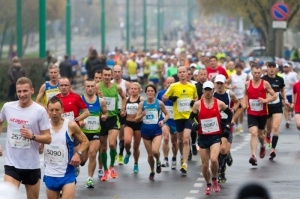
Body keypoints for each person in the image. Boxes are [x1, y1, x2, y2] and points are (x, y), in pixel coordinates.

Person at [0, 77, 51, 199]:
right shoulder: (7, 107)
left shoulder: (40, 111)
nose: (22, 95)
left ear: (32, 91)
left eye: (25, 91)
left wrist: (32, 136)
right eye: (19, 91)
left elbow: (48, 138)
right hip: (12, 164)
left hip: (31, 165)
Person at [189, 81, 233, 195]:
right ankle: (208, 184)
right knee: (204, 164)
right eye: (206, 90)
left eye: (210, 90)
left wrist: (227, 126)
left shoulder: (219, 103)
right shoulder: (197, 104)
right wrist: (194, 124)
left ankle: (214, 179)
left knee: (213, 159)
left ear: (213, 90)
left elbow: (230, 113)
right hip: (203, 137)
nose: (208, 92)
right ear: (203, 91)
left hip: (215, 136)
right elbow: (191, 118)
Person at [44, 96, 89, 199]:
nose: (54, 113)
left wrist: (78, 154)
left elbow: (85, 141)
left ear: (62, 110)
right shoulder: (44, 126)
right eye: (51, 110)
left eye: (57, 110)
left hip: (67, 173)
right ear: (48, 111)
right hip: (50, 173)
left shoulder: (71, 125)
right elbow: (38, 143)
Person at [162, 66, 198, 175]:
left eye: (184, 72)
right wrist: (171, 98)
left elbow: (196, 98)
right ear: (178, 74)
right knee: (180, 140)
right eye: (180, 72)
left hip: (189, 117)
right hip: (178, 117)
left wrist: (193, 103)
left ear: (187, 74)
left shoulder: (192, 86)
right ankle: (182, 155)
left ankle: (185, 164)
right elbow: (164, 97)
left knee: (186, 139)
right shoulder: (173, 86)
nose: (182, 74)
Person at [241, 63, 277, 166]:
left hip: (262, 113)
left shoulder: (265, 83)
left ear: (261, 73)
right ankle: (253, 156)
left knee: (261, 135)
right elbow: (245, 94)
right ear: (251, 73)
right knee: (253, 133)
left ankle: (262, 145)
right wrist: (244, 102)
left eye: (258, 73)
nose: (257, 75)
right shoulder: (247, 83)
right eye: (255, 73)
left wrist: (265, 100)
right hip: (251, 112)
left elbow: (274, 96)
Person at [95, 67, 127, 181]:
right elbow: (92, 99)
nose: (107, 77)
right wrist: (97, 98)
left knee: (112, 144)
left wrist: (123, 109)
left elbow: (124, 98)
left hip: (113, 118)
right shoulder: (98, 86)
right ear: (102, 76)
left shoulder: (117, 87)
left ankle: (112, 167)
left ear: (112, 75)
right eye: (105, 75)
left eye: (109, 75)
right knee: (103, 148)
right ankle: (105, 170)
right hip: (102, 119)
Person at [56, 77, 90, 176]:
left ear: (70, 86)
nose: (63, 87)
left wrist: (76, 120)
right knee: (64, 156)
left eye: (66, 85)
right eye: (61, 85)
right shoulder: (56, 99)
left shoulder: (75, 97)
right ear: (58, 87)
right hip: (61, 132)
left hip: (74, 131)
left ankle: (77, 164)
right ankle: (66, 176)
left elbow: (86, 113)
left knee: (82, 160)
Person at [135, 84, 169, 180]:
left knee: (155, 151)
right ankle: (152, 170)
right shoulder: (142, 104)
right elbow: (136, 119)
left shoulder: (159, 103)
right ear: (145, 93)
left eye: (152, 91)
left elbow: (167, 114)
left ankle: (158, 160)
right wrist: (142, 115)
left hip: (156, 130)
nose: (150, 92)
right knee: (150, 155)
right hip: (145, 131)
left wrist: (163, 121)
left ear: (155, 92)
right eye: (148, 91)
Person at [80, 79, 108, 188]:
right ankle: (78, 166)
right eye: (88, 86)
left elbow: (105, 112)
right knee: (82, 160)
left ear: (95, 88)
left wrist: (104, 116)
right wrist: (80, 122)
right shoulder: (80, 100)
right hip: (82, 134)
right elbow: (76, 114)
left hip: (95, 132)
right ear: (84, 88)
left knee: (93, 153)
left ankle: (89, 178)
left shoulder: (100, 101)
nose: (90, 88)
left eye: (92, 86)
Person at [213, 74, 240, 183]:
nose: (219, 86)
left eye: (221, 83)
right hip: (215, 126)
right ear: (214, 84)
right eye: (217, 83)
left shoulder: (230, 94)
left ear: (225, 84)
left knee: (223, 149)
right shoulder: (212, 94)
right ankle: (226, 158)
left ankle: (222, 171)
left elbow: (238, 102)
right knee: (221, 150)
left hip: (227, 125)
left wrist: (233, 109)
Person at [261, 62, 288, 160]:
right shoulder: (263, 79)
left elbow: (282, 90)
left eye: (273, 67)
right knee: (268, 130)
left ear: (276, 69)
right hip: (267, 106)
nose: (272, 69)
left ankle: (272, 149)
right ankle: (268, 137)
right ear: (267, 68)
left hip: (277, 105)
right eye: (270, 67)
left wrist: (285, 100)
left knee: (275, 127)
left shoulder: (280, 79)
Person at [157, 77, 178, 169]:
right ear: (165, 83)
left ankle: (174, 158)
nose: (169, 84)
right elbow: (157, 105)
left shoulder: (178, 92)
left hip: (175, 120)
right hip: (165, 120)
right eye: (168, 83)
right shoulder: (161, 93)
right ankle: (165, 159)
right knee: (165, 138)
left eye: (171, 83)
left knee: (174, 142)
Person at [111, 65, 131, 165]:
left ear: (122, 72)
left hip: (122, 111)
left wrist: (126, 109)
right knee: (113, 136)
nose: (117, 73)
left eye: (119, 71)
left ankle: (121, 155)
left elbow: (132, 98)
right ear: (112, 72)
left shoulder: (126, 84)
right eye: (115, 71)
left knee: (121, 136)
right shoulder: (109, 84)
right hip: (112, 112)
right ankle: (114, 154)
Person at [123, 82, 144, 173]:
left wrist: (141, 116)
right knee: (127, 142)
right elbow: (123, 110)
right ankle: (128, 152)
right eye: (132, 88)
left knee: (136, 146)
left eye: (135, 89)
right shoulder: (126, 99)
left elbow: (145, 111)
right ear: (129, 90)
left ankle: (136, 164)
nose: (133, 90)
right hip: (128, 123)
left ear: (139, 90)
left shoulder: (141, 99)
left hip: (139, 124)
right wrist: (122, 113)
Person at [227, 62, 249, 134]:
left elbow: (249, 84)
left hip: (242, 96)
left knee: (241, 111)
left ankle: (240, 125)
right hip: (234, 96)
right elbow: (225, 83)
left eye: (240, 68)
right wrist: (230, 87)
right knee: (235, 111)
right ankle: (236, 126)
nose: (238, 69)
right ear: (235, 68)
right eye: (237, 68)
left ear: (242, 68)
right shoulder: (232, 76)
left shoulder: (245, 75)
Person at [282, 62, 298, 128]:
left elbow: (297, 83)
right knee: (286, 107)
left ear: (289, 68)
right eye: (284, 67)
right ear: (283, 68)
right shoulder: (281, 75)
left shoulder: (293, 74)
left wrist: (293, 84)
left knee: (291, 107)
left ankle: (290, 114)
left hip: (291, 93)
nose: (285, 68)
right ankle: (287, 121)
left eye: (287, 67)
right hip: (284, 93)